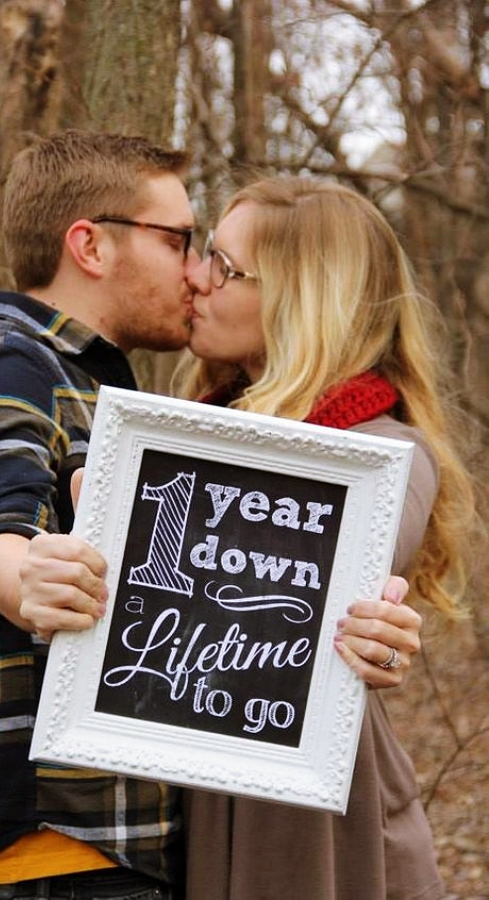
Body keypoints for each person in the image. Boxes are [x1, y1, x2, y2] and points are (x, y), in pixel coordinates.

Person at [176, 175, 475, 900]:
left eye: (224, 265)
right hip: (190, 790)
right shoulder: (186, 428)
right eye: (202, 254)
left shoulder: (385, 455)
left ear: (301, 295)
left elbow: (293, 592)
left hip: (314, 825)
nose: (194, 277)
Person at [0, 129, 198, 900]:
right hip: (55, 851)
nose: (195, 267)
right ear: (91, 246)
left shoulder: (99, 386)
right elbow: (1, 522)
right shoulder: (11, 362)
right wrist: (22, 575)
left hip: (120, 847)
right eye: (179, 238)